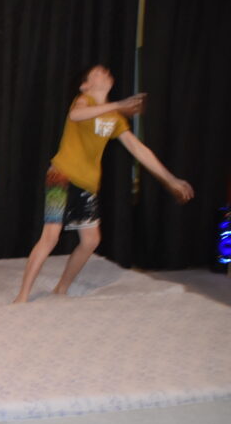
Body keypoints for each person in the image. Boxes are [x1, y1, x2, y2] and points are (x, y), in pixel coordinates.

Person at [14, 65, 194, 303]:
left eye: (106, 72)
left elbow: (138, 149)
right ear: (85, 85)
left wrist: (171, 179)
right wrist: (118, 105)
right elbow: (76, 115)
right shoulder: (83, 100)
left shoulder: (114, 118)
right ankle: (22, 295)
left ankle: (61, 288)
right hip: (61, 175)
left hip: (87, 184)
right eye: (97, 73)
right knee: (51, 236)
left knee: (91, 240)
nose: (105, 73)